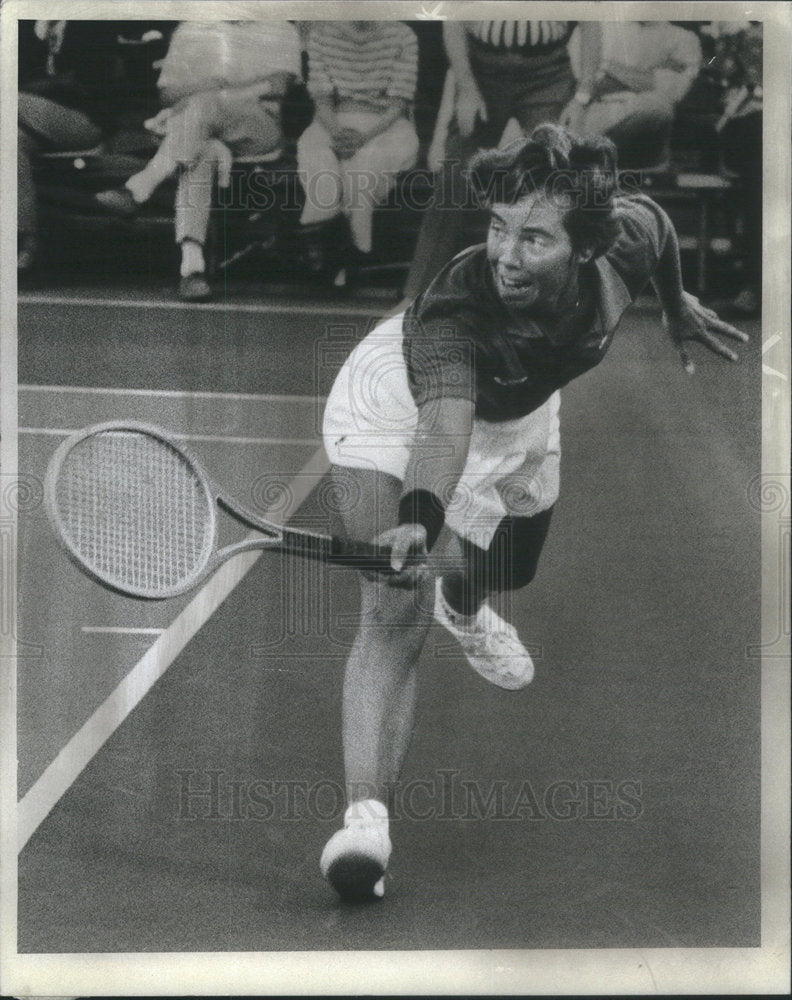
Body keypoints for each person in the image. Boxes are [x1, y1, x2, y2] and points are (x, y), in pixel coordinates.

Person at [317, 124, 748, 902]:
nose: (507, 256)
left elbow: (657, 224)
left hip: (521, 413)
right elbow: (445, 423)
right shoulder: (458, 304)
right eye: (497, 228)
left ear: (582, 247)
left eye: (534, 238)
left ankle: (468, 601)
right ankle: (364, 824)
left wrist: (675, 299)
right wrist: (419, 513)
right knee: (392, 602)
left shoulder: (623, 242)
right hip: (396, 411)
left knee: (511, 565)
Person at [94, 20, 301, 301]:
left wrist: (210, 96)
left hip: (258, 129)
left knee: (200, 109)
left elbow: (277, 86)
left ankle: (138, 189)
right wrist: (206, 88)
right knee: (200, 154)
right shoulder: (191, 30)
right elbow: (167, 95)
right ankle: (192, 271)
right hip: (196, 135)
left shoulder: (278, 28)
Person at [402, 19, 602, 301]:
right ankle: (417, 295)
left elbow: (591, 24)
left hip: (547, 71)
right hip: (483, 70)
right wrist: (467, 85)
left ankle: (563, 295)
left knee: (560, 178)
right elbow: (456, 21)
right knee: (454, 173)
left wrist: (582, 98)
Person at [296, 20, 419, 287]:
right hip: (332, 122)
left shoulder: (402, 35)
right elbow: (322, 100)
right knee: (320, 163)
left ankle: (353, 253)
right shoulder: (322, 34)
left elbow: (398, 105)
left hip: (388, 125)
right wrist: (338, 132)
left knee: (363, 168)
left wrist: (363, 138)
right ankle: (324, 248)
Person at [18, 20, 123, 272]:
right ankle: (25, 240)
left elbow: (88, 82)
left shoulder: (90, 21)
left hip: (84, 119)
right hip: (30, 116)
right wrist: (50, 84)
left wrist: (41, 84)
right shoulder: (28, 23)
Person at [570, 21, 702, 170]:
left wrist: (604, 64)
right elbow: (590, 83)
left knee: (658, 108)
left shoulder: (683, 38)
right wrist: (652, 78)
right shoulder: (593, 28)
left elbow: (676, 91)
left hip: (649, 145)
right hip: (596, 121)